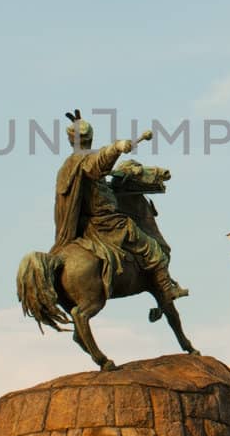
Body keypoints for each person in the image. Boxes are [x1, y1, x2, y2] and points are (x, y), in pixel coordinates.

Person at [51, 112, 188, 302]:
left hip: (86, 224)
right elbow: (99, 163)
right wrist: (116, 147)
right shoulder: (84, 160)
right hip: (107, 224)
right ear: (89, 139)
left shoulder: (68, 166)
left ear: (70, 140)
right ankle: (168, 290)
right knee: (153, 249)